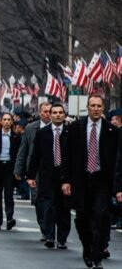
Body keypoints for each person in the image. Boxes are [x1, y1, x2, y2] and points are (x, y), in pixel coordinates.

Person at [61, 95, 119, 269]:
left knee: (100, 217)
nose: (95, 108)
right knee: (83, 219)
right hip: (81, 180)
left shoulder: (113, 131)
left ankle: (97, 254)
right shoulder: (75, 128)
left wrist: (118, 187)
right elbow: (66, 155)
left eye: (99, 106)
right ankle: (87, 248)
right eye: (92, 105)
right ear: (87, 107)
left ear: (103, 108)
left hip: (102, 181)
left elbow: (118, 161)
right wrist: (66, 180)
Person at [26, 103, 71, 250]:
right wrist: (31, 176)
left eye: (60, 112)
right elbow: (35, 156)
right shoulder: (42, 133)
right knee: (49, 206)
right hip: (47, 175)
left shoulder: (70, 133)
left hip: (65, 175)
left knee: (64, 208)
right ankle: (50, 236)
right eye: (55, 112)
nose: (58, 115)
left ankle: (62, 239)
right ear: (50, 115)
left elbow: (76, 156)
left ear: (64, 115)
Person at [15, 101, 52, 239]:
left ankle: (51, 231)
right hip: (36, 170)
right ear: (40, 113)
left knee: (52, 201)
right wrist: (18, 169)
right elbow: (23, 150)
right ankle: (44, 227)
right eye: (45, 111)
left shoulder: (61, 128)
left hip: (54, 170)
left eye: (50, 111)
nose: (48, 114)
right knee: (38, 199)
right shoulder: (31, 128)